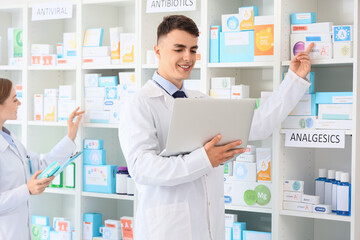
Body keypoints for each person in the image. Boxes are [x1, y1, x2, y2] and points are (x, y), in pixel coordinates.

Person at [119, 15, 313, 240]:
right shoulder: (140, 103)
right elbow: (141, 168)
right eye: (179, 49)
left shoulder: (199, 100)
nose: (187, 57)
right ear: (158, 51)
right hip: (167, 229)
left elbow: (257, 126)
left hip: (208, 227)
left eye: (193, 50)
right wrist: (204, 159)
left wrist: (294, 80)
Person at [0, 78, 84, 240]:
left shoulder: (11, 139)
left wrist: (70, 137)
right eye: (14, 99)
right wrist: (27, 190)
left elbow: (41, 167)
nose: (20, 103)